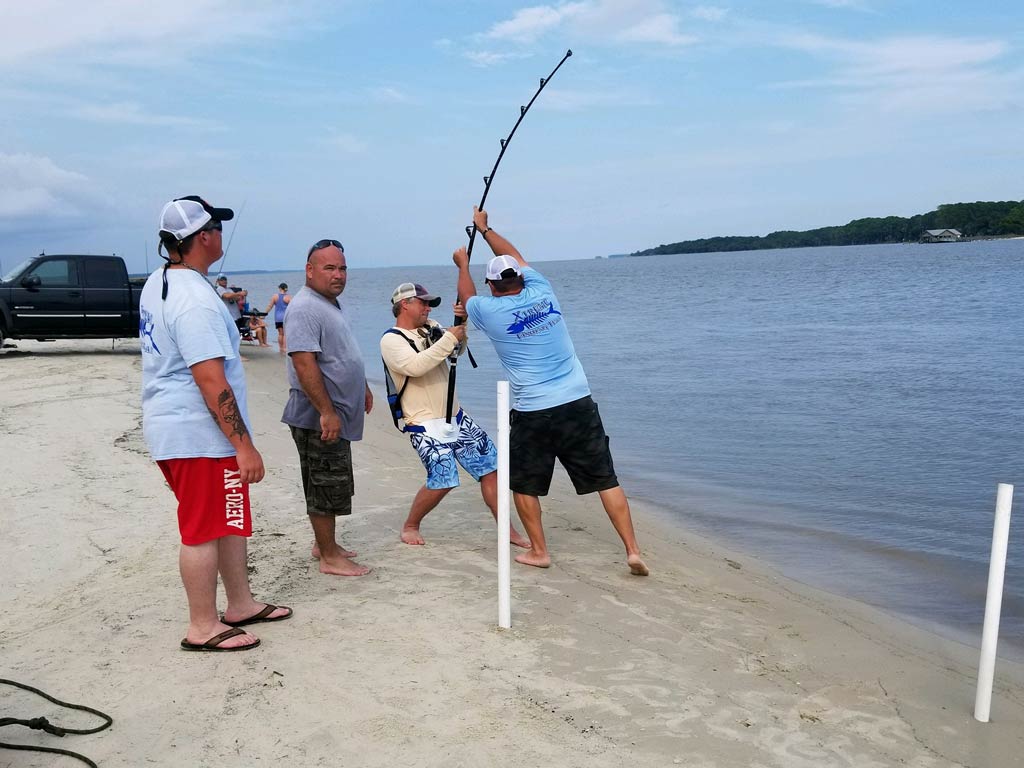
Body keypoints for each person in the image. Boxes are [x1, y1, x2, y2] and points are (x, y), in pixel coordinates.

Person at [453, 206, 649, 576]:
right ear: (521, 279)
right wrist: (486, 229)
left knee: (524, 484)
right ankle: (633, 549)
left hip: (533, 410)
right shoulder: (543, 289)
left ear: (493, 286)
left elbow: (466, 299)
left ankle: (540, 551)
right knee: (605, 478)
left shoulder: (488, 311)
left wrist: (463, 264)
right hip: (577, 402)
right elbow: (518, 259)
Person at [139, 195, 292, 652]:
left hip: (183, 428)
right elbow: (211, 381)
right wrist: (244, 445)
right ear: (203, 237)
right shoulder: (194, 301)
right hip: (197, 434)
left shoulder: (162, 280)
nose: (222, 234)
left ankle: (240, 603)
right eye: (216, 228)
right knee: (203, 526)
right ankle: (202, 626)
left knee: (228, 518)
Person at [381, 282, 531, 548]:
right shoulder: (391, 340)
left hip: (457, 417)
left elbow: (455, 352)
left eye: (430, 304)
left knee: (491, 470)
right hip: (424, 425)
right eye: (423, 303)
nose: (428, 308)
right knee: (444, 480)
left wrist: (461, 326)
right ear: (404, 304)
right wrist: (451, 336)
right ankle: (411, 525)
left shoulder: (432, 327)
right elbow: (416, 366)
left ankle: (507, 530)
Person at [281, 238, 373, 577]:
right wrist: (327, 410)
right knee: (324, 483)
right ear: (309, 270)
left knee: (331, 479)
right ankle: (329, 557)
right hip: (316, 414)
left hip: (333, 412)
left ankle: (324, 544)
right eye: (329, 268)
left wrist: (360, 385)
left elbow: (338, 353)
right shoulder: (305, 307)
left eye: (343, 268)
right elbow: (304, 362)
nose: (338, 275)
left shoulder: (328, 303)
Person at [266, 282, 292, 353]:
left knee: (280, 333)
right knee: (285, 334)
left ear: (280, 288)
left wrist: (264, 314)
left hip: (278, 318)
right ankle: (285, 348)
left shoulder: (275, 296)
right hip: (286, 317)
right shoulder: (288, 297)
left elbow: (270, 306)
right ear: (286, 289)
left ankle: (280, 348)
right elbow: (293, 308)